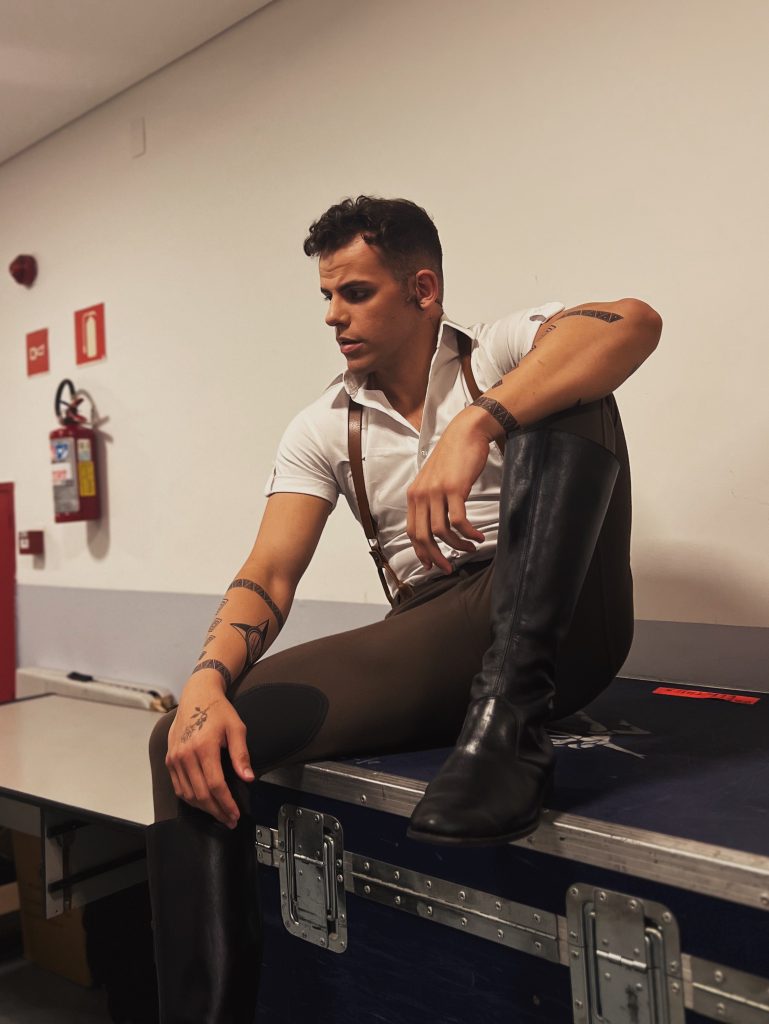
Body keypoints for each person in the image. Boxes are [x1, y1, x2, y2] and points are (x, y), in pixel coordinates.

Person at [146, 196, 662, 1022]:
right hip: (442, 628)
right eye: (326, 296)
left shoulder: (495, 351)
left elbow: (631, 322)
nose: (332, 315)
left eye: (354, 293)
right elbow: (269, 573)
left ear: (423, 290)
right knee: (191, 738)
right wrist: (206, 682)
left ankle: (510, 727)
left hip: (568, 613)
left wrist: (477, 423)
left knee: (575, 383)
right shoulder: (321, 425)